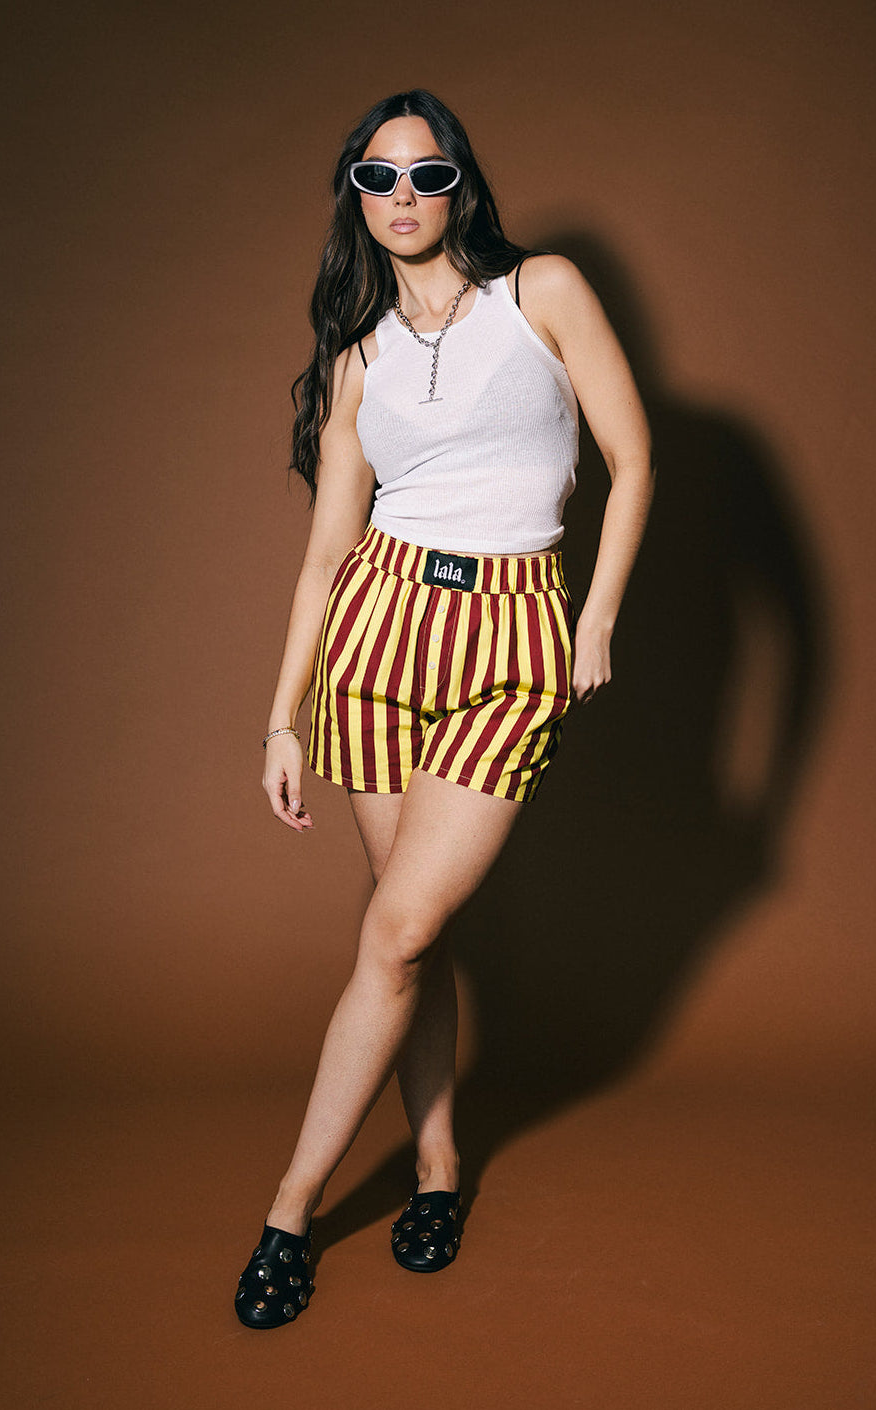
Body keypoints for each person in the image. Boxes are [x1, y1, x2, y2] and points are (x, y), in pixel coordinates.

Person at [234, 89, 654, 1329]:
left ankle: (288, 1211)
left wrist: (596, 615)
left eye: (425, 175)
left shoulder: (544, 295)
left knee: (398, 929)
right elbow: (324, 556)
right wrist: (278, 720)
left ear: (460, 184)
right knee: (409, 936)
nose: (403, 198)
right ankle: (434, 1168)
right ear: (354, 199)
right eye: (378, 179)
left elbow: (633, 460)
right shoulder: (356, 358)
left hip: (508, 632)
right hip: (374, 636)